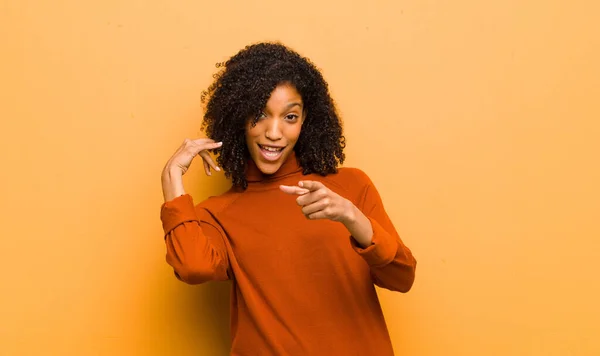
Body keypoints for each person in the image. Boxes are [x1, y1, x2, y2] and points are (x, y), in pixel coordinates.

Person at [160, 42, 417, 355]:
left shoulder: (351, 186)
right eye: (259, 115)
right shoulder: (217, 213)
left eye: (290, 117)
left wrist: (352, 217)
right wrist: (172, 179)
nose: (274, 132)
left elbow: (402, 277)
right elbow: (193, 268)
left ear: (306, 118)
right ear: (239, 118)